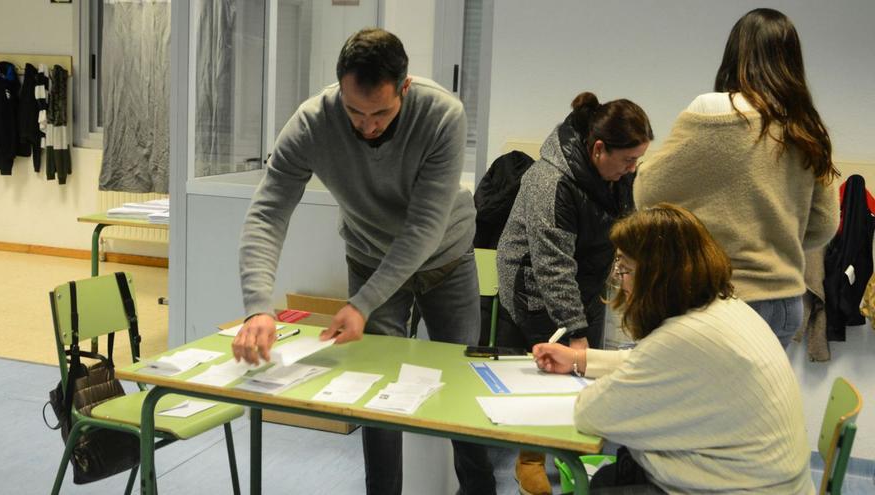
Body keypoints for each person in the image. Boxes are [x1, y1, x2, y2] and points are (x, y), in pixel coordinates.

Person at [231, 28, 495, 495]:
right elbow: (268, 212)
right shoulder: (312, 122)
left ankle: (479, 490)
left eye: (380, 113)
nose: (367, 126)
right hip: (371, 256)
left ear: (405, 87)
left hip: (445, 260)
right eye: (355, 112)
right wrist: (258, 305)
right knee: (373, 391)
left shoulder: (442, 115)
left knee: (462, 386)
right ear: (340, 90)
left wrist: (362, 303)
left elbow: (424, 228)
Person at [534, 204, 814, 494]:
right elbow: (651, 362)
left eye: (625, 269)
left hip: (745, 487)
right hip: (769, 481)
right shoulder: (726, 311)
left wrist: (588, 374)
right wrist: (580, 359)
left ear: (657, 276)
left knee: (610, 477)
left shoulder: (684, 338)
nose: (621, 282)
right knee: (617, 471)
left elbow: (591, 413)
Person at [634, 7, 840, 348]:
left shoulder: (709, 111)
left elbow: (646, 193)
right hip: (787, 303)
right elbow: (824, 225)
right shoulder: (806, 128)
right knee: (762, 401)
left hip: (721, 300)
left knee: (706, 402)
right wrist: (773, 234)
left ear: (736, 54)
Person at [495, 92, 652, 495]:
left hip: (585, 282)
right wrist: (574, 329)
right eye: (628, 160)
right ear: (599, 149)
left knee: (584, 371)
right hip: (533, 285)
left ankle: (572, 451)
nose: (633, 168)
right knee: (547, 374)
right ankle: (529, 460)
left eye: (637, 160)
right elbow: (551, 265)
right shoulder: (552, 181)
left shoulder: (618, 172)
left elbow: (624, 224)